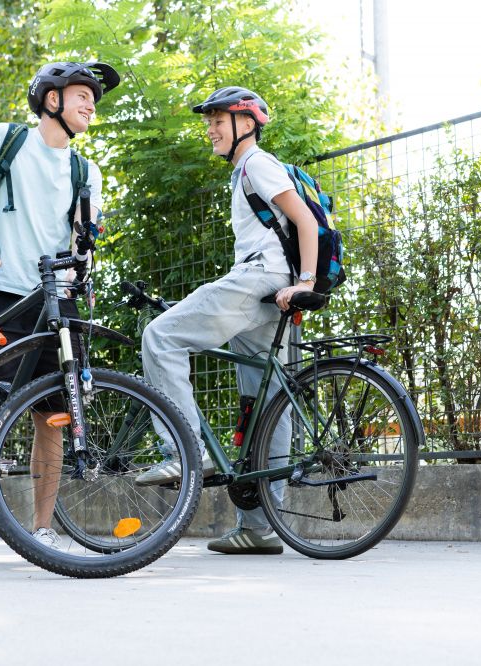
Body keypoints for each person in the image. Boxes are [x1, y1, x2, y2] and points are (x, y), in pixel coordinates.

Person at [0, 61, 120, 565]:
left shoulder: (85, 170)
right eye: (82, 93)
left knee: (53, 419)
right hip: (2, 290)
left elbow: (82, 238)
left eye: (94, 97)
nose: (91, 103)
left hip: (56, 301)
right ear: (51, 99)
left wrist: (86, 254)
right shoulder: (7, 140)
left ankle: (42, 531)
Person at [135, 87, 320, 555]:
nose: (211, 129)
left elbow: (307, 222)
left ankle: (184, 451)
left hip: (260, 278)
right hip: (271, 287)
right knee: (266, 400)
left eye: (220, 120)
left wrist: (307, 281)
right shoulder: (246, 170)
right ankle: (258, 527)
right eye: (209, 121)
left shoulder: (257, 163)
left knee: (161, 337)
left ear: (247, 123)